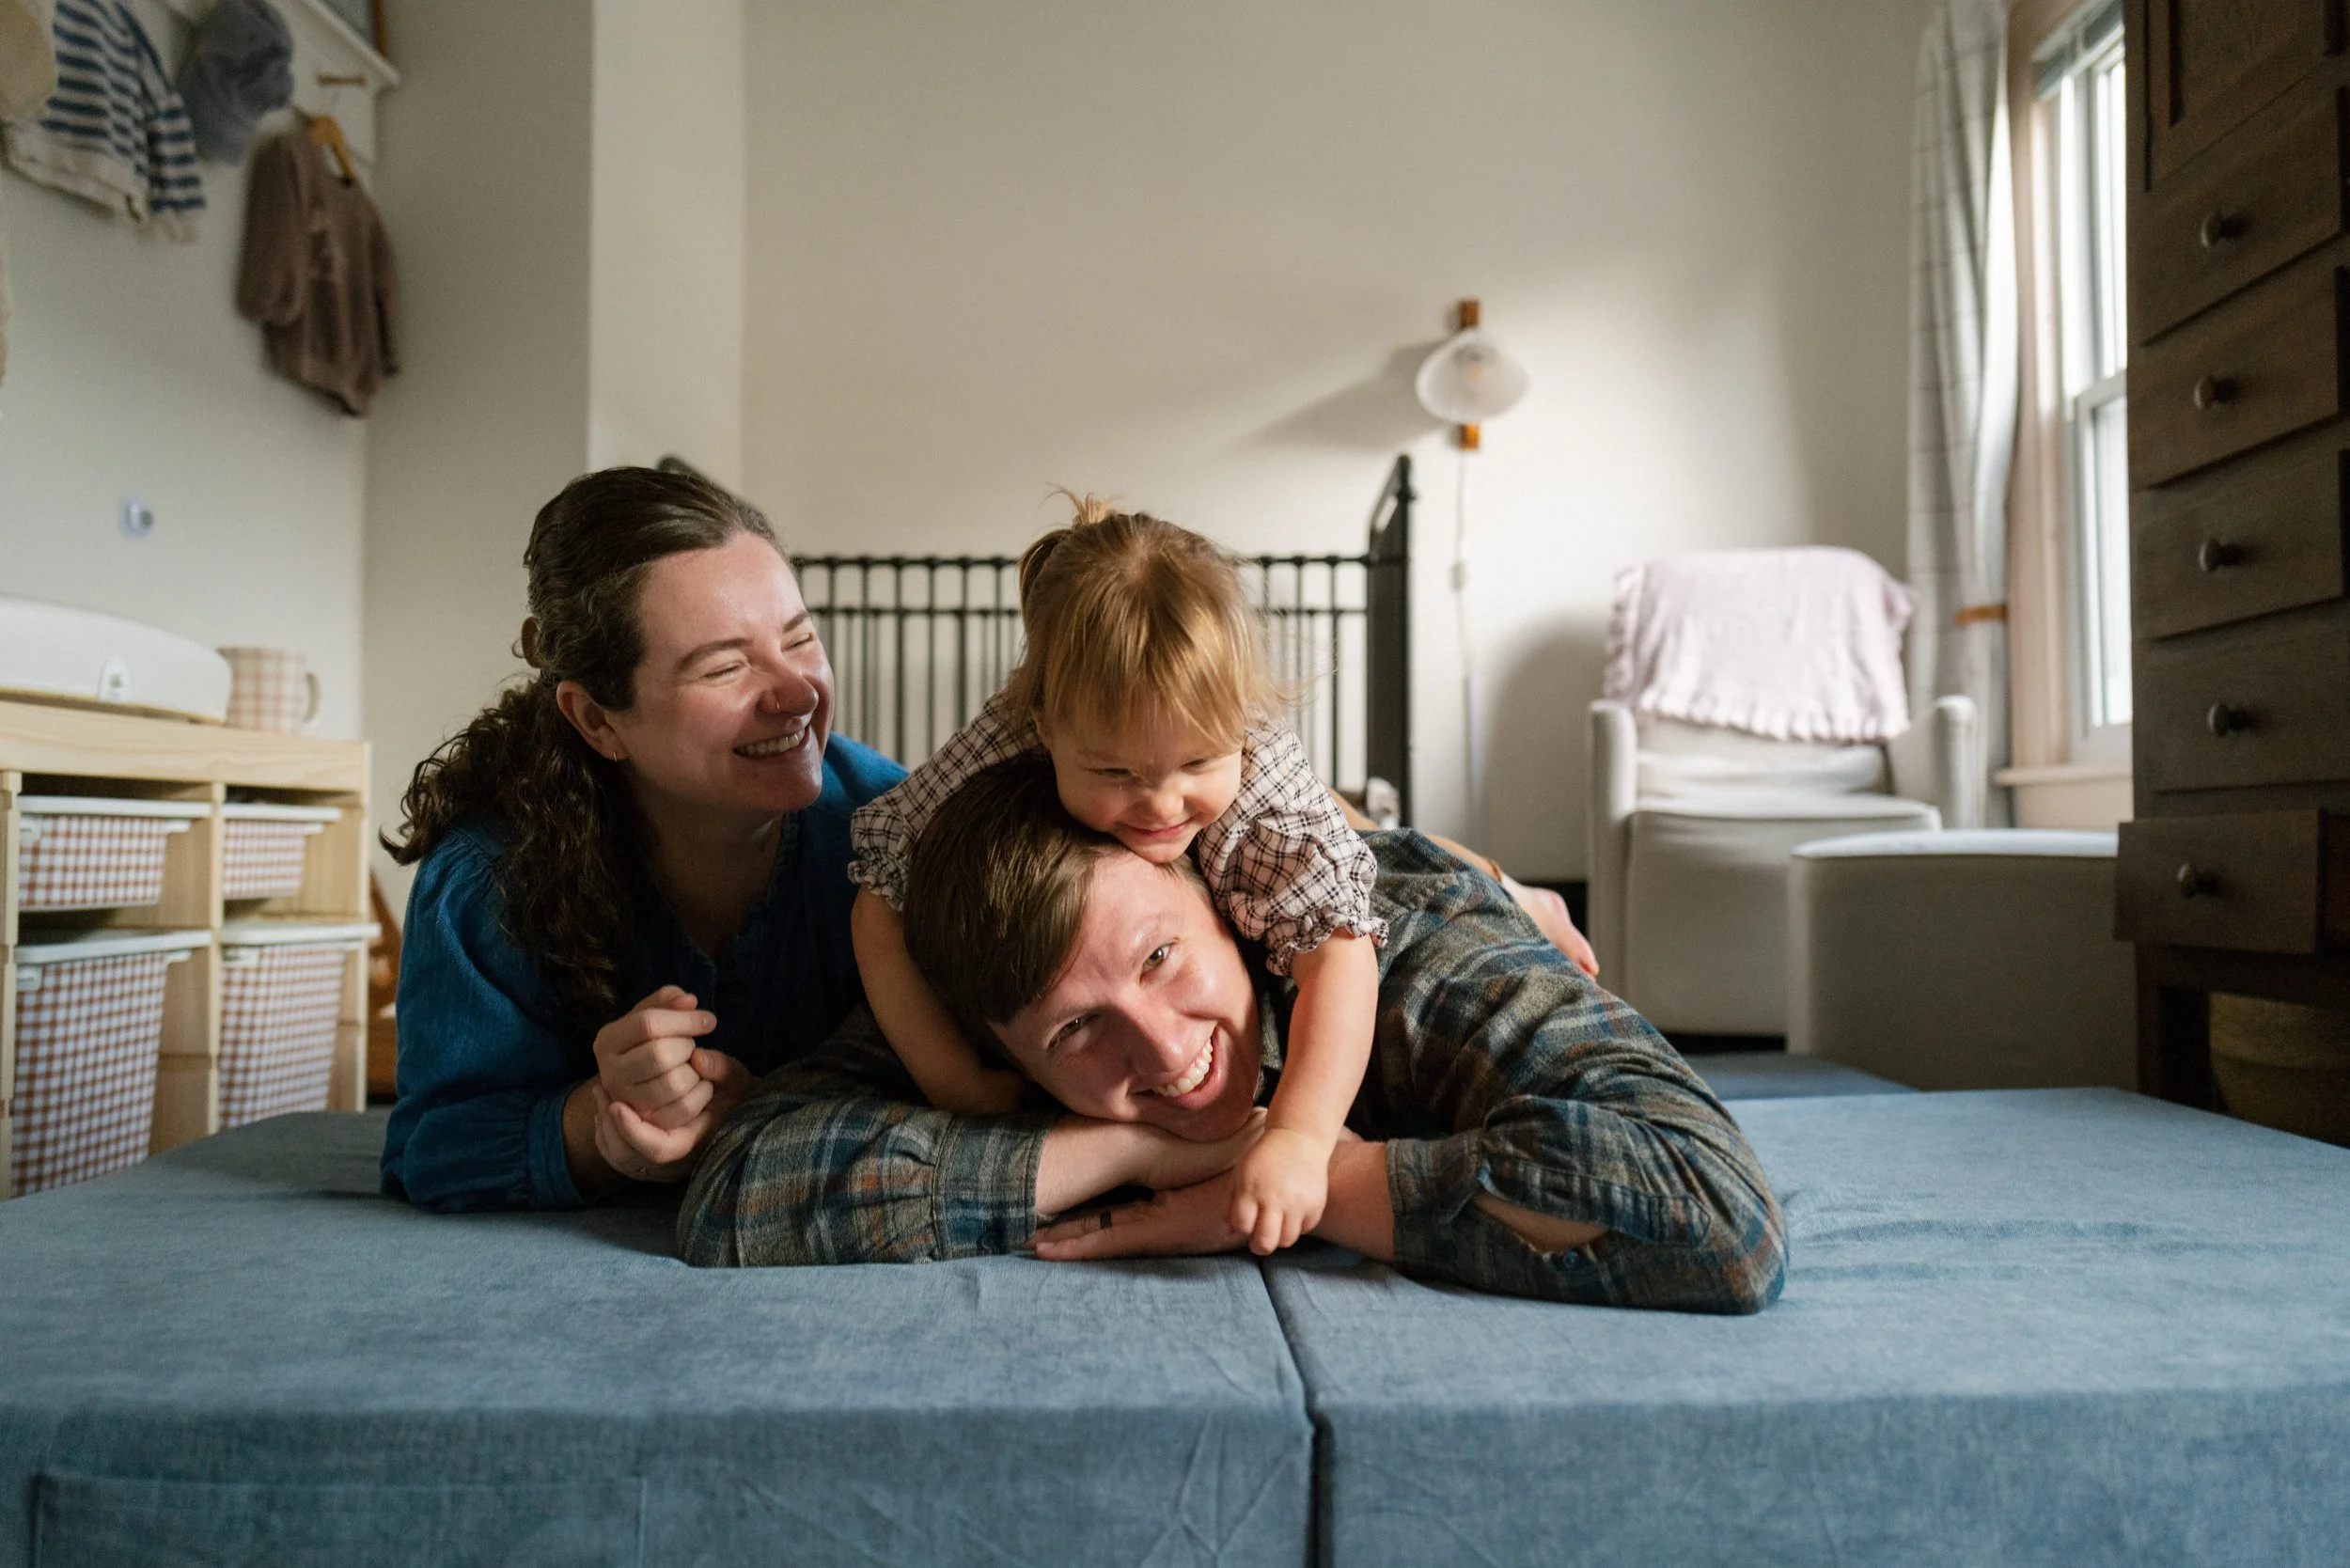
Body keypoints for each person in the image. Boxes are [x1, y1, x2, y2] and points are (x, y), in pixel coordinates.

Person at [683, 755, 1786, 1313]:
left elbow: (1715, 1215)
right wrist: (1134, 1150)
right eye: (1078, 1031)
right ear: (999, 1048)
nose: (1165, 1053)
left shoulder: (1417, 953)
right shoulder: (974, 975)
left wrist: (1311, 1181)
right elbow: (739, 1189)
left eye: (1162, 959)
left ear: (1221, 900)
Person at [848, 497, 1390, 1257]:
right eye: (1114, 772)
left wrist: (1300, 1137)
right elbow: (879, 902)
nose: (1164, 805)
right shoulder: (995, 753)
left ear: (1239, 720)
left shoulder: (1264, 788)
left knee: (1399, 849)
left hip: (1330, 842)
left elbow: (1341, 950)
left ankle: (1505, 882)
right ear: (1046, 730)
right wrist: (956, 1082)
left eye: (1198, 762)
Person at [379, 466, 904, 1211]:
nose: (798, 693)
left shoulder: (894, 830)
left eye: (800, 639)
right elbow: (430, 1148)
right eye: (724, 667)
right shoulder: (485, 878)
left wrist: (772, 1114)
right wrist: (601, 1128)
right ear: (598, 720)